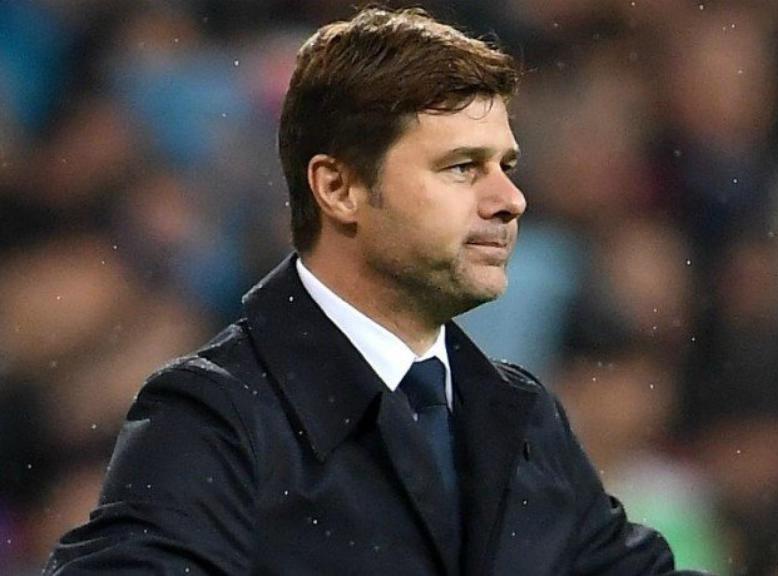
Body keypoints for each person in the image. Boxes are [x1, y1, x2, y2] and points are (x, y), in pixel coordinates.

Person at [45, 7, 706, 575]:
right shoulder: (217, 415)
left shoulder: (522, 418)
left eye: (505, 166)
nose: (509, 199)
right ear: (338, 188)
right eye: (460, 168)